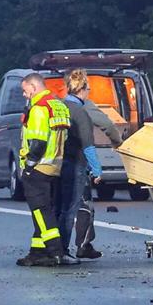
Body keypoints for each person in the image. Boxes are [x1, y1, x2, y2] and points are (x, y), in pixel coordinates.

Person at [16, 73, 75, 267]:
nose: (25, 95)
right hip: (55, 165)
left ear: (33, 87)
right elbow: (65, 138)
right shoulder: (58, 105)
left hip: (39, 167)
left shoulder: (40, 109)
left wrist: (29, 166)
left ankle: (55, 252)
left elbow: (38, 142)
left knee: (42, 212)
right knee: (41, 211)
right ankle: (36, 253)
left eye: (25, 90)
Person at [57, 69, 103, 259]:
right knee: (71, 208)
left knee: (57, 207)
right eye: (89, 88)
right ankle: (64, 250)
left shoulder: (59, 106)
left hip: (56, 164)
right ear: (82, 88)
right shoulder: (80, 112)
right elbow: (88, 146)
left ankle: (53, 247)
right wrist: (97, 169)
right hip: (75, 164)